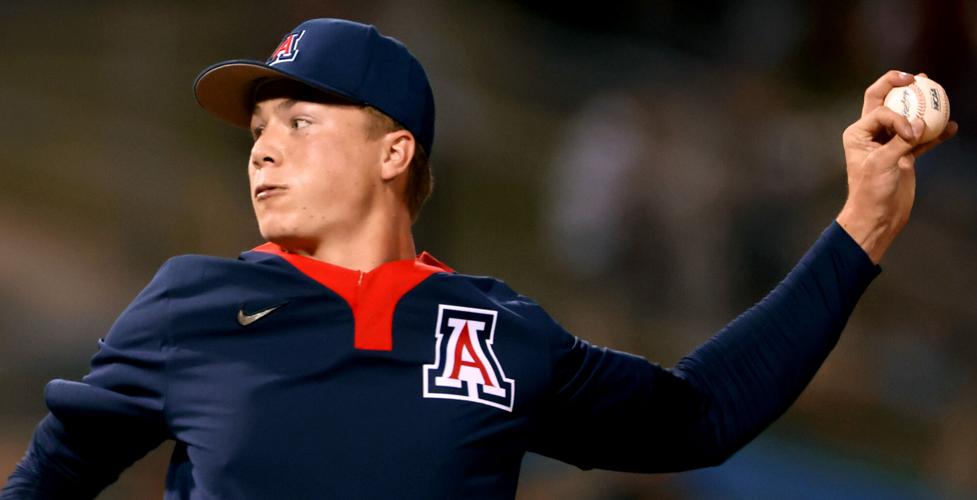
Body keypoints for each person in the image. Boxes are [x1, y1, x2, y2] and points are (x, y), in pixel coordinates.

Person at [1, 17, 958, 500]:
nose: (262, 147)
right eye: (257, 127)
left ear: (394, 151)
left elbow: (695, 419)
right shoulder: (191, 306)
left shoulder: (499, 332)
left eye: (299, 119)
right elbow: (48, 483)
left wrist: (860, 226)